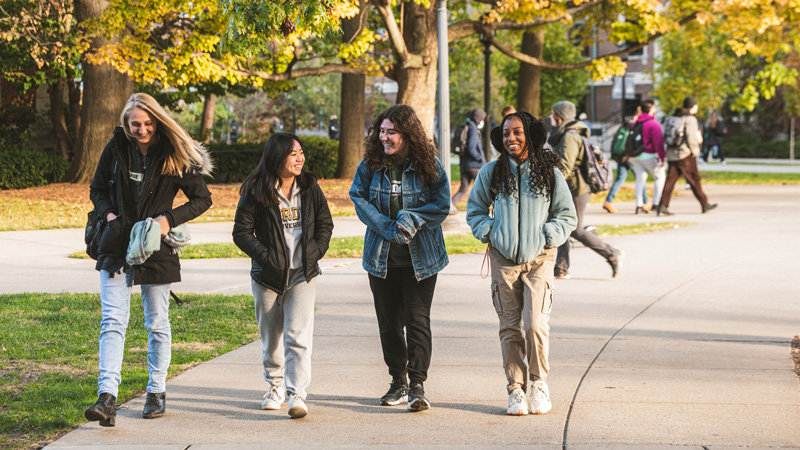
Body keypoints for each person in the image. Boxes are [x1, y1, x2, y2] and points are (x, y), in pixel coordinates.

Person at [84, 93, 213, 427]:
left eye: (147, 124)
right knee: (112, 321)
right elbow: (96, 189)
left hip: (156, 249)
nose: (141, 130)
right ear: (127, 124)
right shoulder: (115, 148)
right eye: (135, 124)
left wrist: (168, 219)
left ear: (157, 121)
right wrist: (110, 215)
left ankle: (156, 390)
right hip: (115, 245)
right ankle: (107, 397)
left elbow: (202, 198)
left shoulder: (172, 154)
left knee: (156, 322)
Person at [466, 112, 577, 416]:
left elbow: (566, 215)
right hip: (503, 260)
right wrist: (490, 232)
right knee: (510, 328)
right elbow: (475, 210)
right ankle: (516, 389)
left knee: (535, 324)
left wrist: (548, 236)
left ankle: (539, 384)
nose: (510, 139)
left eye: (517, 132)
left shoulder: (548, 171)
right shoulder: (492, 171)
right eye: (505, 134)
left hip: (540, 258)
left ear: (529, 134)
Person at [349, 104, 450, 412]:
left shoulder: (428, 164)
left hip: (421, 260)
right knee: (389, 324)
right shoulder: (370, 164)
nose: (385, 138)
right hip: (382, 259)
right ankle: (398, 382)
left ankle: (418, 386)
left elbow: (441, 204)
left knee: (417, 322)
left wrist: (410, 219)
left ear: (407, 134)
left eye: (391, 132)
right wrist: (386, 226)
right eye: (381, 131)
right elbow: (358, 196)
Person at [232, 132, 333, 419]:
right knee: (272, 338)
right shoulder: (257, 190)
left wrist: (314, 252)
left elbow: (325, 224)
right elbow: (241, 232)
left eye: (301, 152)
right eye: (293, 154)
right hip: (267, 277)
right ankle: (275, 386)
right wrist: (266, 258)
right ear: (277, 158)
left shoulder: (310, 187)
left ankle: (297, 394)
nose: (300, 158)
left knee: (298, 335)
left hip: (303, 274)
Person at [548, 100, 624, 279]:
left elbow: (566, 165)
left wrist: (549, 182)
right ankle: (561, 268)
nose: (551, 117)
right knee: (562, 225)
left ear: (560, 116)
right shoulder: (565, 134)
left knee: (576, 229)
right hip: (570, 188)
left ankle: (612, 254)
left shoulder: (570, 136)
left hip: (576, 189)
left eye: (553, 114)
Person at [658, 97, 718, 216]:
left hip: (672, 153)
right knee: (694, 179)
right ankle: (704, 203)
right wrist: (695, 152)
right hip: (685, 154)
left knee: (670, 180)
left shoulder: (672, 117)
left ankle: (662, 205)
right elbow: (691, 138)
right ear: (693, 106)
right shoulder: (690, 119)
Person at [603, 106, 648, 214]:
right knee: (640, 177)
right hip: (630, 157)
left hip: (620, 156)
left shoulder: (627, 122)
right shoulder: (636, 124)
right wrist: (631, 154)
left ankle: (608, 201)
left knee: (620, 178)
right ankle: (645, 203)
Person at [629, 99, 667, 214]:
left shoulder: (636, 123)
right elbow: (658, 143)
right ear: (651, 109)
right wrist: (662, 157)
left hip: (636, 156)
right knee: (659, 177)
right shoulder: (654, 124)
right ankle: (656, 203)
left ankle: (639, 205)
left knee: (640, 180)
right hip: (649, 155)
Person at [451, 108, 488, 205]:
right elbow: (471, 148)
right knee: (485, 188)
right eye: (482, 119)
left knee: (463, 189)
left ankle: (450, 206)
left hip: (463, 164)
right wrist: (479, 158)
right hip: (474, 166)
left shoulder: (465, 126)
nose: (483, 121)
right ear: (479, 118)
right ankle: (490, 210)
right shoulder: (473, 129)